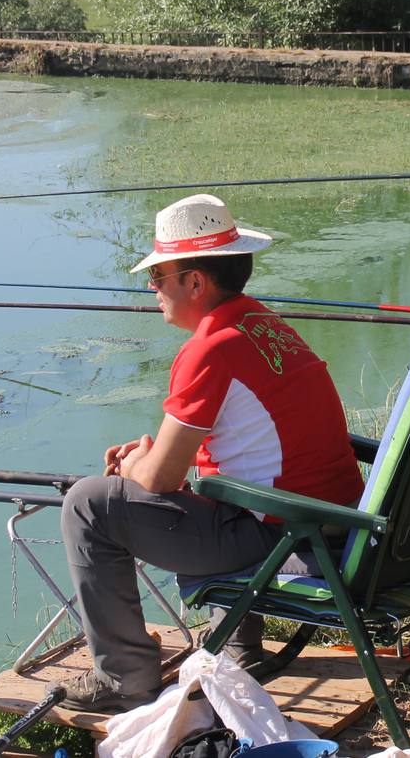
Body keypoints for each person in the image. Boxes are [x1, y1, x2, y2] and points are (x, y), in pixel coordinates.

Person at [59, 193, 364, 712]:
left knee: (89, 504)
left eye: (158, 279)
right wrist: (159, 458)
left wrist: (137, 464)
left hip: (292, 536)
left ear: (195, 282)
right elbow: (249, 450)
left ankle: (125, 680)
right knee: (206, 493)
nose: (153, 290)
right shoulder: (267, 326)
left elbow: (156, 482)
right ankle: (238, 648)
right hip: (337, 521)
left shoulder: (209, 347)